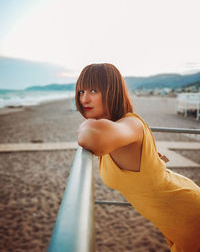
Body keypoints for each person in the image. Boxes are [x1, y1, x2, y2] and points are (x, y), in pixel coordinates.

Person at [75, 63, 200, 252]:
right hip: (174, 221)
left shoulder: (131, 123)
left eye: (93, 90)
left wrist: (88, 123)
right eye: (80, 92)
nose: (84, 99)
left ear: (112, 91)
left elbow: (91, 135)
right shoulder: (114, 129)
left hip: (190, 214)